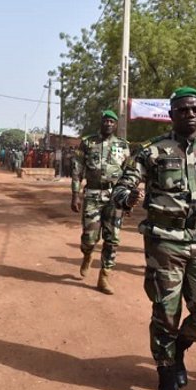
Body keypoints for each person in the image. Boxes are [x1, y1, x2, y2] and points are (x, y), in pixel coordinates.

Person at [112, 87, 196, 390]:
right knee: (166, 313)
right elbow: (122, 186)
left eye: (195, 110)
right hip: (164, 242)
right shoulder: (152, 151)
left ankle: (179, 349)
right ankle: (165, 381)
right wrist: (127, 198)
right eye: (182, 110)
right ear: (171, 115)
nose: (189, 115)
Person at [71, 109, 129, 294]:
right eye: (106, 121)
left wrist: (127, 199)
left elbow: (129, 174)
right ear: (101, 122)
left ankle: (104, 276)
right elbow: (77, 169)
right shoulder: (88, 142)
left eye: (112, 121)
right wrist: (75, 194)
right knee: (89, 238)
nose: (109, 124)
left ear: (116, 124)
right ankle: (87, 255)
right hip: (93, 195)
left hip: (115, 196)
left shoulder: (123, 145)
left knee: (112, 239)